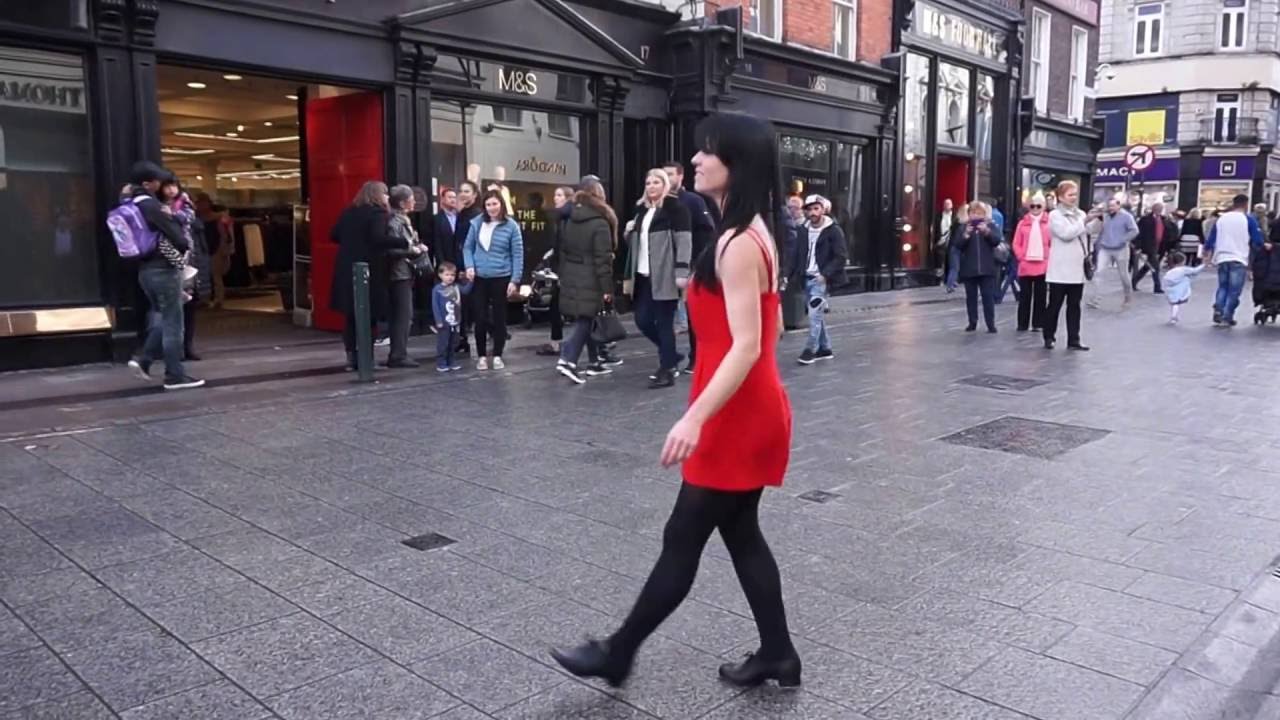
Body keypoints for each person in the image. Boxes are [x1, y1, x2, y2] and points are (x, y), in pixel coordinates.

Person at [552, 112, 799, 690]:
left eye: (706, 152)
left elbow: (749, 345)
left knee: (682, 538)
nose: (694, 161)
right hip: (747, 405)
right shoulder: (754, 232)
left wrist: (695, 415)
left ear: (734, 163)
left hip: (734, 415)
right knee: (741, 535)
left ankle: (618, 652)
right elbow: (775, 328)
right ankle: (779, 653)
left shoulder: (739, 242)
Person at [123, 161, 204, 390]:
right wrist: (181, 247)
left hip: (145, 270)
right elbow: (177, 236)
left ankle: (144, 360)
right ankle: (174, 375)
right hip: (163, 268)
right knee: (173, 324)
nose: (160, 184)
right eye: (157, 181)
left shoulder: (130, 202)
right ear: (147, 184)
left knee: (162, 315)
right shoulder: (151, 206)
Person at [624, 168, 692, 388]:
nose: (651, 186)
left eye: (656, 182)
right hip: (643, 275)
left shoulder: (675, 209)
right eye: (648, 183)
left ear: (665, 185)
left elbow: (684, 242)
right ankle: (670, 354)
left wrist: (681, 272)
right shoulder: (640, 210)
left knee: (664, 322)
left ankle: (667, 369)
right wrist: (628, 232)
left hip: (664, 274)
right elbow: (637, 246)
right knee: (642, 320)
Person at [330, 180, 399, 371]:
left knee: (351, 317)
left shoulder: (349, 212)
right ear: (377, 195)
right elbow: (378, 239)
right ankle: (367, 359)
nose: (387, 198)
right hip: (369, 270)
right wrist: (403, 241)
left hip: (345, 269)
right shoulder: (377, 214)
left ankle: (351, 359)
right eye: (385, 193)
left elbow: (333, 235)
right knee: (369, 317)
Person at [555, 180, 618, 384]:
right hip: (591, 275)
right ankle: (568, 359)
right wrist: (607, 287)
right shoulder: (600, 222)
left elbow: (562, 249)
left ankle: (594, 361)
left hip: (572, 273)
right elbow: (603, 258)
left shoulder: (569, 218)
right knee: (586, 318)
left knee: (587, 316)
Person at [664, 160, 717, 372]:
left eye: (671, 174)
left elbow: (707, 231)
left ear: (680, 176)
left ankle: (696, 355)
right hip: (665, 266)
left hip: (691, 264)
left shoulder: (693, 201)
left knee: (693, 313)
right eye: (664, 175)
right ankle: (669, 356)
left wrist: (698, 263)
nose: (667, 179)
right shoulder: (660, 203)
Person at [464, 190, 524, 370]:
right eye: (488, 205)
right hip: (480, 277)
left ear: (501, 204)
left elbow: (517, 254)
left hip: (501, 276)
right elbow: (467, 247)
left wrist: (515, 279)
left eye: (495, 204)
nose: (491, 208)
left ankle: (497, 355)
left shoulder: (511, 226)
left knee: (499, 318)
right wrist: (469, 266)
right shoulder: (476, 223)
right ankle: (481, 356)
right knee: (480, 317)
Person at [788, 194, 846, 363]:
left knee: (814, 315)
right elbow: (796, 254)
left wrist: (825, 275)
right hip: (805, 277)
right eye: (809, 209)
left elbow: (841, 256)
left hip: (820, 280)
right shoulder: (803, 230)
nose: (813, 212)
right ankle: (825, 348)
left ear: (823, 209)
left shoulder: (833, 230)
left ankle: (810, 349)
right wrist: (788, 275)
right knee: (816, 315)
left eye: (816, 208)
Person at [159, 177, 208, 361]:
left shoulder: (184, 204)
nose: (171, 190)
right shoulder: (156, 204)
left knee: (188, 305)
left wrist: (171, 214)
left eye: (173, 186)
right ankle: (173, 349)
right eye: (167, 186)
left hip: (187, 261)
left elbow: (189, 218)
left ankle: (187, 346)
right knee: (170, 307)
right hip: (167, 261)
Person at [384, 185, 430, 368]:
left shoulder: (403, 220)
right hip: (399, 273)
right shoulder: (395, 222)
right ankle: (398, 355)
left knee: (404, 314)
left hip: (405, 272)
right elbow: (394, 249)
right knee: (403, 314)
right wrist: (415, 249)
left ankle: (399, 352)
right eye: (411, 198)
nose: (414, 202)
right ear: (403, 203)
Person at [1043, 180, 1091, 351]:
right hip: (1060, 268)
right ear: (1061, 197)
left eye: (1075, 194)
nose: (1074, 198)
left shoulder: (1081, 214)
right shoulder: (1055, 215)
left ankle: (1074, 339)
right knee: (1054, 305)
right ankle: (1049, 336)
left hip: (1077, 268)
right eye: (1070, 194)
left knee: (1075, 306)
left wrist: (1098, 220)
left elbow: (1091, 232)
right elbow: (1066, 234)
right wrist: (1084, 223)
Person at [1204, 193, 1264, 327]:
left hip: (1221, 256)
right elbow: (1257, 239)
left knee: (1223, 286)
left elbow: (1212, 237)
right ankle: (1227, 316)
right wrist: (1262, 246)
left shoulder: (1222, 219)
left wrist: (1207, 251)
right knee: (1234, 290)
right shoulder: (1248, 219)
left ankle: (1219, 309)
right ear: (1246, 204)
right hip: (1238, 257)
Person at [537, 186, 576, 358]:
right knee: (555, 305)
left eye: (559, 195)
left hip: (566, 269)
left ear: (568, 198)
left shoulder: (568, 218)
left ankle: (560, 344)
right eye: (555, 195)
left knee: (562, 306)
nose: (555, 198)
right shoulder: (559, 218)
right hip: (559, 266)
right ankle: (556, 342)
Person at [953, 201, 1000, 333]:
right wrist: (966, 235)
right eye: (973, 213)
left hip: (987, 268)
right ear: (969, 214)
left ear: (984, 215)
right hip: (969, 268)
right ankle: (972, 322)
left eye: (979, 213)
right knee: (971, 297)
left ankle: (990, 323)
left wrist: (987, 232)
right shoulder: (963, 227)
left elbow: (996, 240)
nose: (976, 216)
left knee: (988, 297)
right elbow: (957, 245)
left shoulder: (990, 225)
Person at [1087, 198, 1138, 308]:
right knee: (1099, 272)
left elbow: (1134, 230)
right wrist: (1096, 216)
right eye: (1109, 206)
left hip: (1121, 249)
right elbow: (1093, 229)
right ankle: (1096, 299)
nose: (1110, 208)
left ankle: (1127, 297)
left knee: (1123, 275)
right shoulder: (1105, 216)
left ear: (1118, 206)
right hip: (1105, 247)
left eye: (1113, 206)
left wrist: (1123, 239)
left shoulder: (1127, 217)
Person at [1012, 192, 1051, 331]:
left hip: (1042, 264)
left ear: (1044, 207)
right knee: (1024, 296)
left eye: (1038, 206)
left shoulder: (1049, 222)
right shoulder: (1022, 223)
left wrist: (1048, 257)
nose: (1035, 208)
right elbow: (1016, 243)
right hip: (1026, 264)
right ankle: (1022, 324)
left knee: (1041, 296)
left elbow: (1053, 243)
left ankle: (1038, 323)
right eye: (1032, 206)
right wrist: (1021, 256)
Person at [432, 262, 471, 371]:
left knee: (453, 342)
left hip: (455, 321)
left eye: (452, 275)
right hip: (444, 322)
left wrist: (470, 281)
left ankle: (451, 361)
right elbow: (435, 306)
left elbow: (466, 291)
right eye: (447, 274)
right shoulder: (437, 289)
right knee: (443, 342)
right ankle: (441, 362)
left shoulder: (456, 287)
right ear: (440, 275)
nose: (450, 277)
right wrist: (438, 320)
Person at [1133, 202, 1177, 293]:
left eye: (1160, 209)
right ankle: (1157, 287)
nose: (1159, 211)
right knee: (1155, 266)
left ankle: (1134, 281)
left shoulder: (1164, 220)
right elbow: (1139, 233)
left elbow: (1170, 232)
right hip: (1150, 246)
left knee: (1148, 266)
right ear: (1153, 209)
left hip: (1160, 246)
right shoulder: (1145, 220)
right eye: (1157, 209)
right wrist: (1138, 246)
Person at [1161, 251, 1204, 325]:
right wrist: (1203, 265)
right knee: (1176, 304)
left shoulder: (1170, 271)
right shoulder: (1183, 270)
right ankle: (1174, 317)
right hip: (1178, 291)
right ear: (1182, 261)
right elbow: (1194, 271)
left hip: (1171, 290)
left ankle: (1173, 316)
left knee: (1174, 304)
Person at [936, 198, 954, 282]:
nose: (947, 206)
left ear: (952, 205)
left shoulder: (954, 216)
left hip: (950, 240)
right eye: (945, 204)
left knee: (949, 259)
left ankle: (948, 277)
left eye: (948, 204)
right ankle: (940, 277)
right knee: (940, 258)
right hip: (941, 239)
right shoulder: (939, 215)